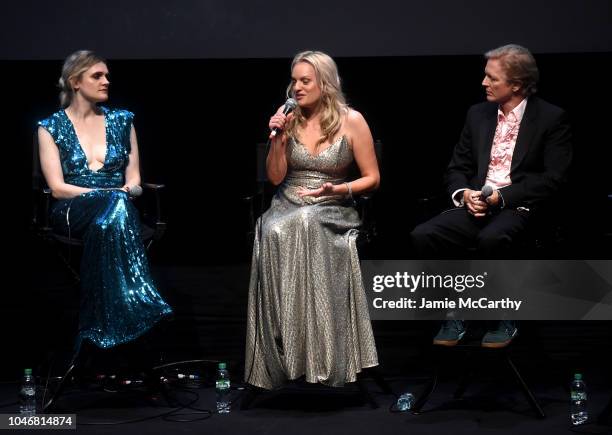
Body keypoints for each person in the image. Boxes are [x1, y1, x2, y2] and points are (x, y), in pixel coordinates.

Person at [410, 44, 572, 347]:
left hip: (519, 205)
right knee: (425, 235)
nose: (484, 83)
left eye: (492, 78)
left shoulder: (551, 118)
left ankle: (504, 314)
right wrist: (465, 194)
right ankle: (454, 312)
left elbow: (553, 179)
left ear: (517, 84)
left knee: (493, 239)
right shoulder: (478, 114)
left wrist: (503, 197)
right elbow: (457, 167)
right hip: (478, 203)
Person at [245, 50, 380, 389]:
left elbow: (372, 178)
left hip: (333, 203)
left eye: (305, 80)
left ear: (325, 83)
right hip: (288, 199)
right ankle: (286, 345)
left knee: (307, 222)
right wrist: (277, 137)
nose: (297, 87)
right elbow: (275, 178)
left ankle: (322, 352)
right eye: (294, 81)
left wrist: (340, 187)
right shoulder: (289, 119)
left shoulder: (352, 120)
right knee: (269, 228)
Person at [37, 50, 173, 355]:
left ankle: (95, 332)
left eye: (107, 75)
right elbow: (57, 189)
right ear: (75, 81)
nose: (106, 81)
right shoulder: (50, 127)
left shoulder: (124, 121)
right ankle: (140, 305)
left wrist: (126, 193)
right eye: (97, 75)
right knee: (115, 206)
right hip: (73, 210)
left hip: (119, 210)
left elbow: (134, 181)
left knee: (112, 216)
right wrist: (111, 195)